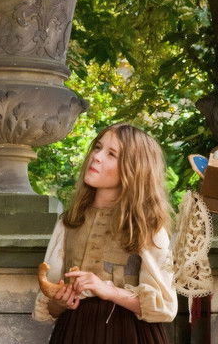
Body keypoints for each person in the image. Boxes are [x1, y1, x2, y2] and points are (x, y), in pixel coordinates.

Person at [33, 123, 177, 344]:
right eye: (98, 147)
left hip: (130, 334)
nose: (96, 157)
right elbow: (51, 305)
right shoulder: (69, 221)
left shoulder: (147, 225)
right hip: (73, 332)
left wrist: (106, 290)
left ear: (134, 168)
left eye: (111, 154)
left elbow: (165, 307)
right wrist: (60, 301)